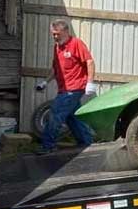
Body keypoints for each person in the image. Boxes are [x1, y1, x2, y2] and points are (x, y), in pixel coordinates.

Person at [35, 19, 97, 153]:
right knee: (72, 117)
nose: (55, 37)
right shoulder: (57, 47)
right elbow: (55, 69)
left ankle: (47, 145)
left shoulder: (76, 43)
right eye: (53, 34)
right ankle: (86, 142)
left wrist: (90, 82)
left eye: (57, 34)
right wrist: (45, 82)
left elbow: (89, 62)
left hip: (74, 88)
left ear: (66, 31)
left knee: (55, 114)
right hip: (64, 88)